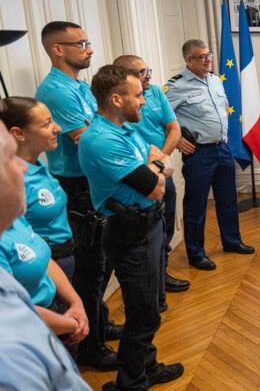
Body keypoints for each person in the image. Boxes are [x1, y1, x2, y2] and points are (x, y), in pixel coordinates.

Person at [79, 65, 184, 390]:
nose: (143, 100)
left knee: (148, 308)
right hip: (130, 233)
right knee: (142, 314)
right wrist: (160, 167)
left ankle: (146, 368)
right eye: (137, 95)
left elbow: (157, 164)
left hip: (149, 226)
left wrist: (158, 167)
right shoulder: (101, 140)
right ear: (115, 98)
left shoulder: (126, 129)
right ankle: (130, 384)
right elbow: (154, 185)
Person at [34, 20, 119, 370]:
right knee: (90, 269)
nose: (90, 48)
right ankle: (91, 347)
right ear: (58, 50)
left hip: (92, 184)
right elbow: (89, 139)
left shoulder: (79, 86)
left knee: (101, 264)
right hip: (77, 188)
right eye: (81, 43)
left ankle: (99, 324)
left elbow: (106, 127)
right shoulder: (57, 91)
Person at [0, 119, 91, 390]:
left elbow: (44, 255)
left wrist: (75, 304)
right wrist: (68, 322)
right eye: (7, 159)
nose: (21, 167)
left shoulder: (13, 220)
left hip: (57, 316)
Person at [164, 39, 255, 270]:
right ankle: (196, 253)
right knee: (196, 204)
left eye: (209, 55)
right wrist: (177, 141)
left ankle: (232, 241)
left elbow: (223, 107)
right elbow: (158, 117)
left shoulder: (215, 80)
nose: (208, 59)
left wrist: (222, 133)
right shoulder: (176, 86)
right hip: (199, 152)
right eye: (202, 56)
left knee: (228, 199)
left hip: (221, 148)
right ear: (189, 60)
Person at [114, 55, 191, 311]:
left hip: (162, 170)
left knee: (164, 227)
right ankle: (152, 287)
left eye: (148, 70)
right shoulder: (118, 107)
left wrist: (162, 158)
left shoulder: (157, 92)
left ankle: (162, 275)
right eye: (141, 72)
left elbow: (174, 129)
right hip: (140, 175)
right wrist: (156, 165)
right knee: (146, 235)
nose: (148, 75)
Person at [2, 97, 76, 281]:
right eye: (46, 124)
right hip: (44, 267)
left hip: (66, 257)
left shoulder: (40, 164)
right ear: (18, 133)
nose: (58, 128)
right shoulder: (12, 182)